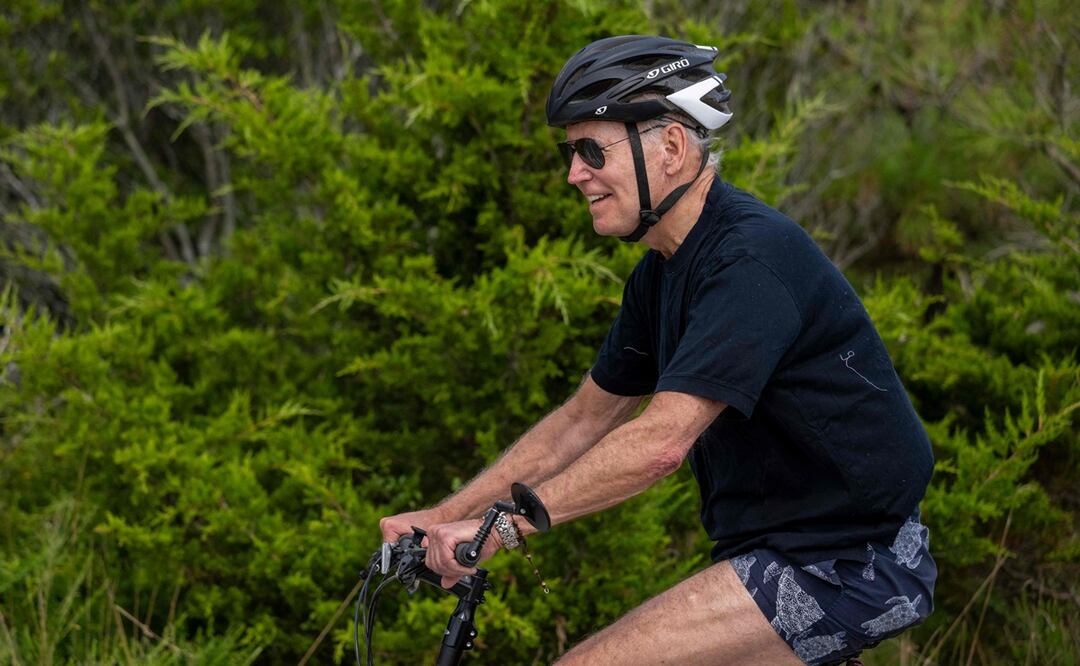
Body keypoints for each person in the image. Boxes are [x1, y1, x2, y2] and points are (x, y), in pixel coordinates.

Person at [379, 35, 937, 665]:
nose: (573, 173)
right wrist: (442, 514)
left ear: (670, 147)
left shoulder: (750, 260)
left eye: (593, 149)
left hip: (847, 562)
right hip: (785, 552)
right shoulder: (662, 271)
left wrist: (500, 528)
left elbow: (660, 443)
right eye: (570, 152)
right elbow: (583, 421)